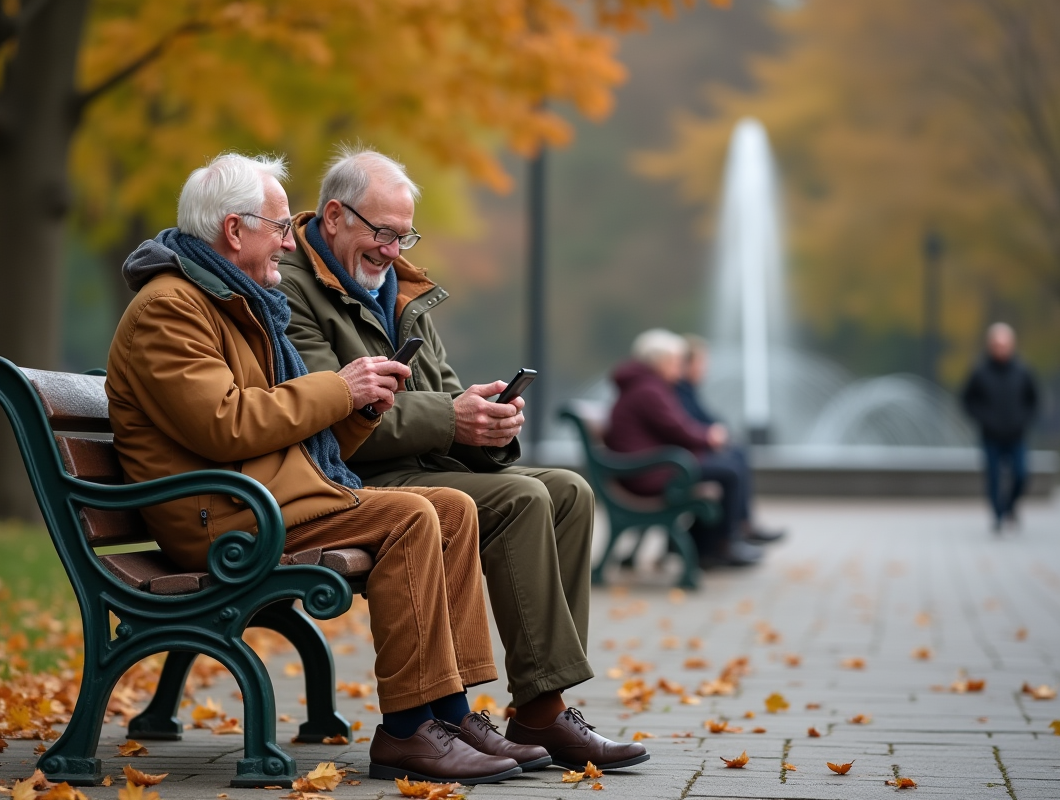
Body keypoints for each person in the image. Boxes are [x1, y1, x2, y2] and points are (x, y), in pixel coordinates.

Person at [105, 152, 527, 784]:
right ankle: (410, 730)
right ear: (233, 230)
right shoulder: (171, 309)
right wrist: (341, 389)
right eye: (278, 226)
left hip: (264, 494)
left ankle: (452, 711)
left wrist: (361, 405)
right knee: (411, 515)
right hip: (221, 516)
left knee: (451, 505)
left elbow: (271, 419)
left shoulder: (235, 300)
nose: (285, 240)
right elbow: (226, 425)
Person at [278, 148, 648, 771]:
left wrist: (488, 424)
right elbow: (333, 411)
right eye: (382, 232)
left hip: (417, 464)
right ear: (336, 216)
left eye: (403, 234)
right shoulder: (293, 289)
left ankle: (539, 707)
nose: (393, 249)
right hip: (352, 474)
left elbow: (443, 390)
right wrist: (453, 418)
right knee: (522, 498)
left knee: (568, 492)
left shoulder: (399, 287)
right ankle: (532, 714)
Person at [604, 329, 765, 567]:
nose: (680, 368)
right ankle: (721, 545)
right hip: (647, 473)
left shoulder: (647, 385)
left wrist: (705, 438)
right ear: (659, 362)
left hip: (651, 467)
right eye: (675, 362)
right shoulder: (649, 389)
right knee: (728, 472)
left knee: (727, 466)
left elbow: (674, 428)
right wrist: (708, 438)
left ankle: (712, 544)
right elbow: (677, 429)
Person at [674, 335, 782, 545]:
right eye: (701, 363)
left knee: (737, 453)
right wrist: (711, 435)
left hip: (680, 459)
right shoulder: (677, 391)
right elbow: (685, 426)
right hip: (674, 464)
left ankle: (740, 527)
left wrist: (718, 431)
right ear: (686, 364)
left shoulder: (685, 390)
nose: (705, 368)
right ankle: (728, 538)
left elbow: (705, 418)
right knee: (731, 466)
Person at [961, 322, 1039, 531]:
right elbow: (967, 401)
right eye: (997, 344)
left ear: (1012, 345)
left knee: (1021, 474)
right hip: (991, 435)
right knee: (994, 477)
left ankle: (1010, 507)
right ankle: (998, 516)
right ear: (990, 345)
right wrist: (984, 419)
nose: (1001, 348)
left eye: (1005, 344)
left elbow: (1033, 400)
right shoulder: (980, 372)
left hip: (1016, 434)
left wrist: (1023, 419)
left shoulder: (1023, 371)